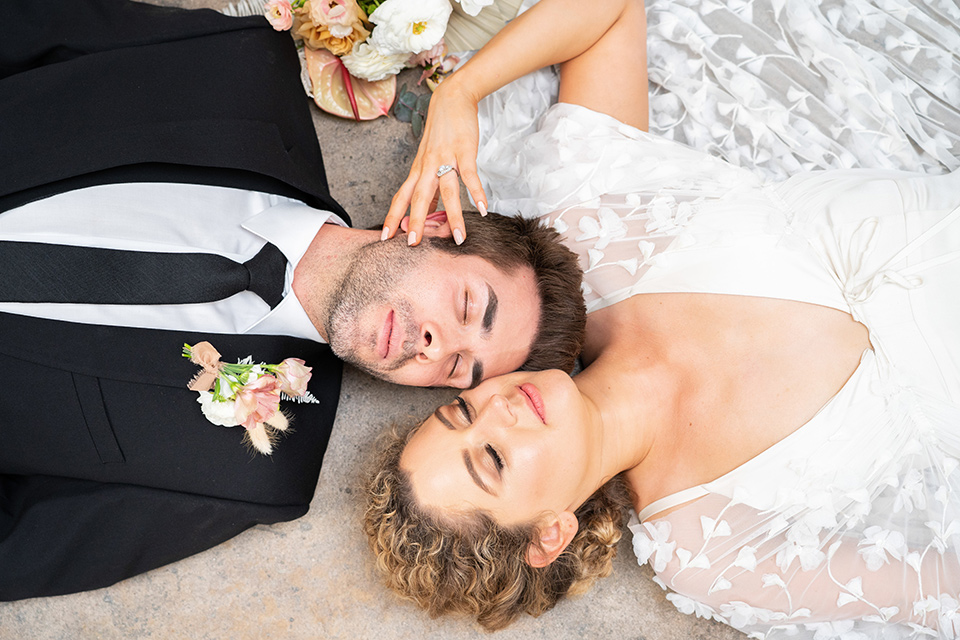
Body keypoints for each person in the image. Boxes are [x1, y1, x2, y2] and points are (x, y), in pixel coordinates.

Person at [366, 0, 960, 636]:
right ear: (550, 534)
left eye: (462, 411)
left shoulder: (590, 233)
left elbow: (612, 11)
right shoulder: (711, 549)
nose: (497, 412)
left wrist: (461, 91)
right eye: (493, 460)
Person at [0, 0, 585, 602]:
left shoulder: (252, 472)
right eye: (467, 307)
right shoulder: (236, 73)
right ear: (433, 223)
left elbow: (16, 550)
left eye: (460, 368)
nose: (436, 348)